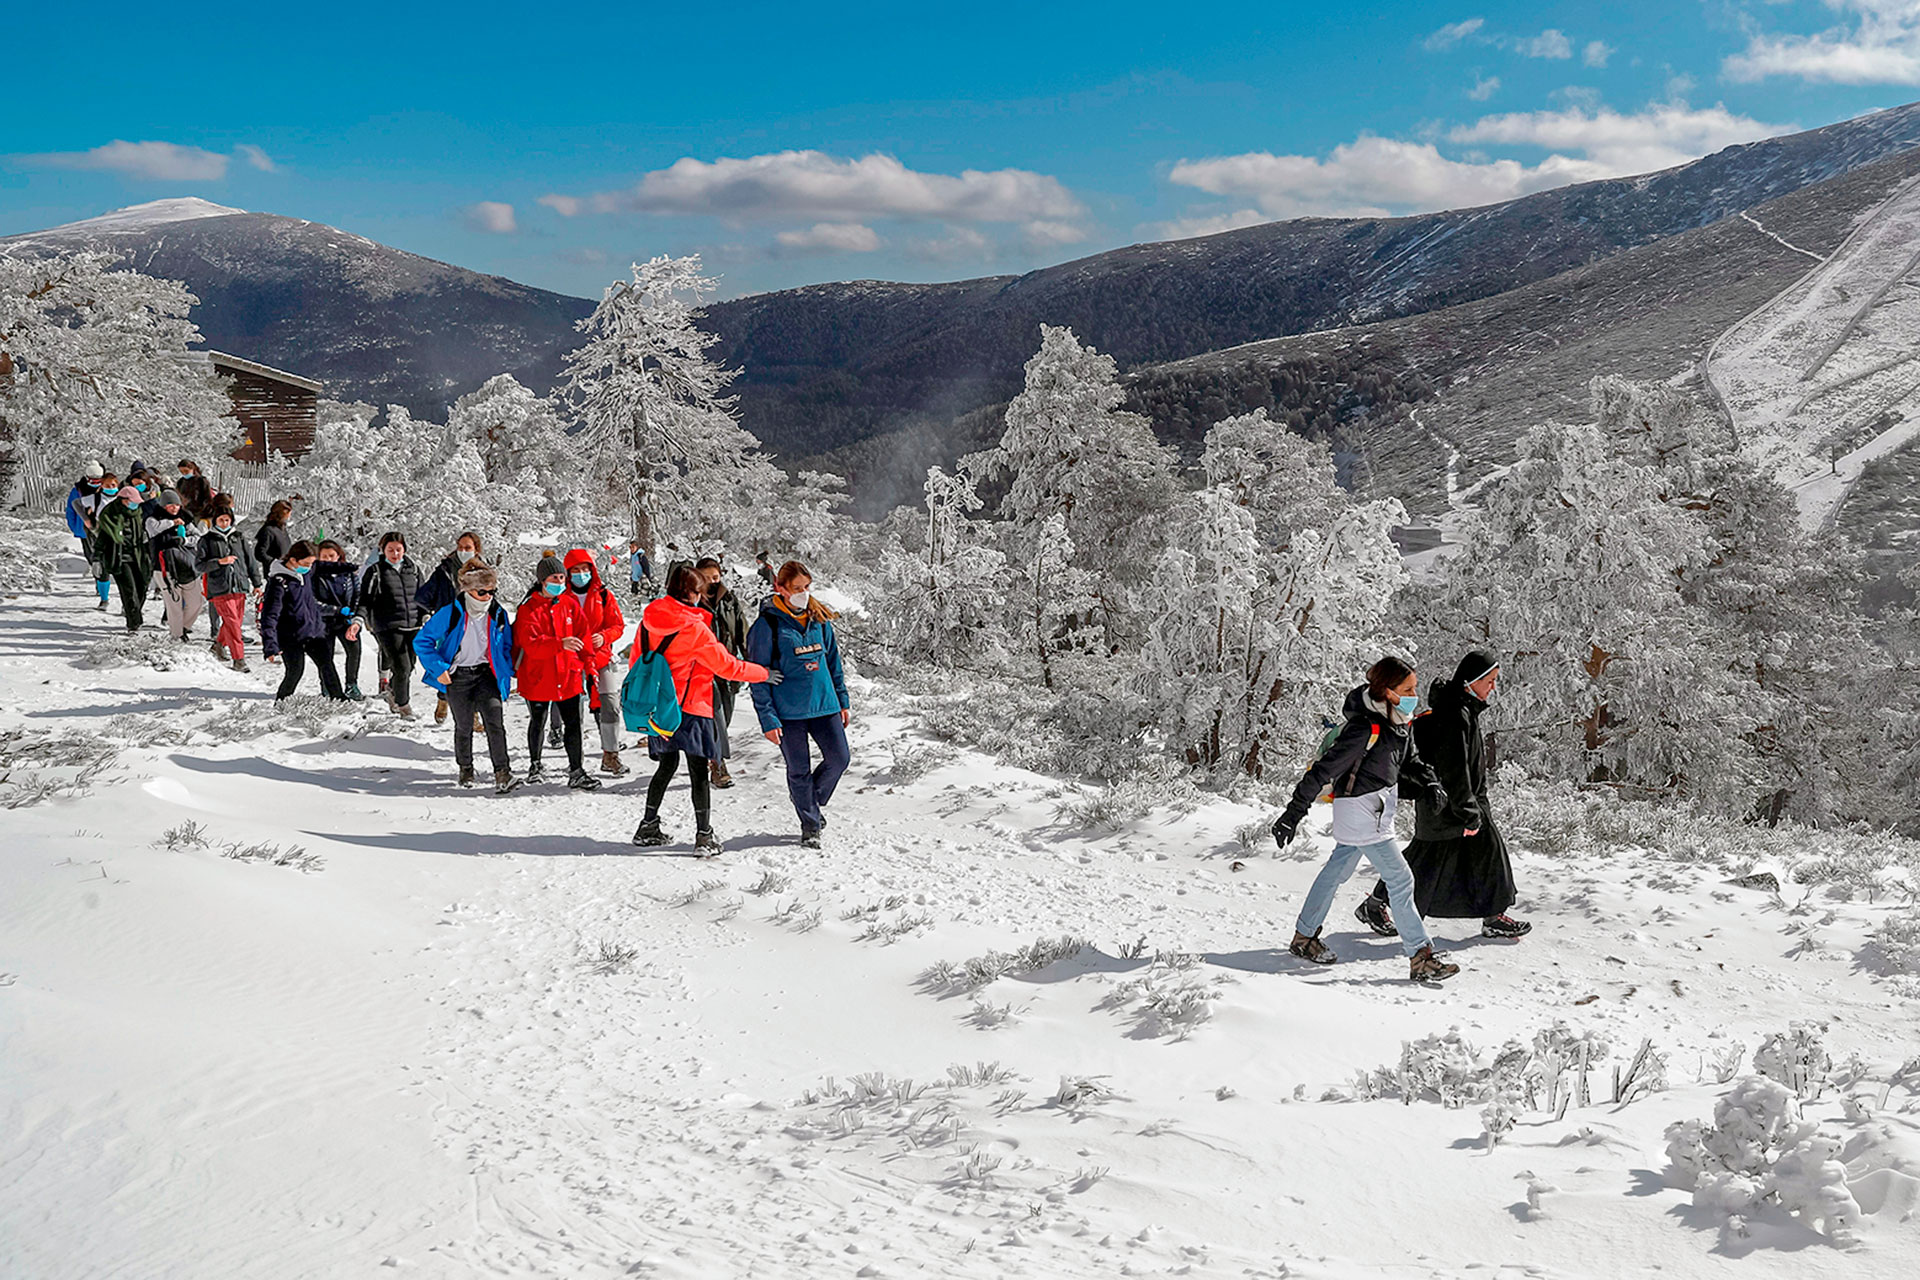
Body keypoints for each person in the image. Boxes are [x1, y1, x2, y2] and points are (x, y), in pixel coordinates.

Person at [1270, 656, 1461, 982]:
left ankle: (1304, 937)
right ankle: (1421, 956)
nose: (1415, 694)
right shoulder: (1365, 728)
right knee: (1401, 881)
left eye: (1415, 686)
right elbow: (1323, 770)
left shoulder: (1400, 723)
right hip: (1362, 813)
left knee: (1336, 872)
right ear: (1387, 691)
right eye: (1408, 688)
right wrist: (1293, 811)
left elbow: (1410, 761)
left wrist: (1430, 782)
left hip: (1374, 812)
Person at [1358, 652, 1530, 941]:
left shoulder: (1462, 708)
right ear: (1471, 682)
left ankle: (1493, 916)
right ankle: (1376, 905)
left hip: (1455, 799)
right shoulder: (1455, 714)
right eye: (1489, 681)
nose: (1493, 687)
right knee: (1429, 858)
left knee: (1478, 854)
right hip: (1449, 801)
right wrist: (1468, 809)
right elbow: (1454, 767)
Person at [630, 563, 776, 853]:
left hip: (659, 709)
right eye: (699, 591)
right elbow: (727, 667)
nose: (702, 596)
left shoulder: (648, 621)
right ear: (690, 593)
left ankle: (648, 825)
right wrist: (765, 674)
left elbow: (637, 661)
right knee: (698, 772)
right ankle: (704, 836)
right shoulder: (694, 628)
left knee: (666, 766)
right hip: (693, 707)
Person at [746, 560, 851, 849]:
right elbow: (758, 676)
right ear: (779, 588)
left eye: (806, 587)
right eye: (796, 588)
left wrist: (842, 700)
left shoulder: (819, 619)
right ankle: (810, 824)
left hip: (824, 705)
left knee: (839, 759)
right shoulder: (766, 626)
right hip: (788, 712)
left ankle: (809, 801)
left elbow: (833, 663)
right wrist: (768, 719)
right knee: (798, 770)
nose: (802, 593)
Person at [413, 559, 522, 793]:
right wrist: (438, 668)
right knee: (463, 726)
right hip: (458, 677)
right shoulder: (451, 612)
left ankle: (502, 772)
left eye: (492, 591)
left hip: (486, 675)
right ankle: (466, 769)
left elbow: (506, 645)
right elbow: (422, 641)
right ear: (468, 590)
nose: (488, 596)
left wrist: (506, 668)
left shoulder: (498, 613)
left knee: (495, 723)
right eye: (482, 592)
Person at [513, 555, 601, 790]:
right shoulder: (528, 608)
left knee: (573, 723)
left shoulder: (569, 604)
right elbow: (530, 643)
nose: (560, 581)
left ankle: (576, 770)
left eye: (562, 577)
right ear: (542, 580)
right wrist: (559, 643)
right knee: (538, 720)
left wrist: (589, 664)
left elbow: (583, 635)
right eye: (555, 577)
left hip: (568, 674)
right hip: (538, 676)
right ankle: (535, 763)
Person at [561, 547, 629, 776]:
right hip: (572, 659)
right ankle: (576, 760)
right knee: (574, 711)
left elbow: (618, 625)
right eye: (576, 570)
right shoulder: (560, 597)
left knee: (610, 704)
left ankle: (611, 754)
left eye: (585, 569)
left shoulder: (603, 595)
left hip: (600, 656)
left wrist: (605, 636)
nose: (581, 574)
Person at [261, 540, 346, 701]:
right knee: (295, 671)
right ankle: (281, 705)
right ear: (293, 560)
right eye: (306, 563)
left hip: (312, 631)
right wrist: (270, 645)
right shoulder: (279, 583)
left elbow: (324, 567)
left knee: (327, 666)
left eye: (311, 563)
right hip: (290, 636)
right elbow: (269, 616)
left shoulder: (305, 572)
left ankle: (339, 700)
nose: (309, 567)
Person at [417, 531, 484, 726]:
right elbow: (424, 595)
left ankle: (473, 715)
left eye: (468, 548)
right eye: (461, 547)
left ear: (476, 550)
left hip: (475, 626)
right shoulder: (444, 570)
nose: (463, 551)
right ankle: (443, 699)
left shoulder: (483, 571)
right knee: (450, 667)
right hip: (448, 627)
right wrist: (433, 613)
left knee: (475, 670)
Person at [696, 556, 750, 789]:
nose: (712, 582)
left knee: (724, 716)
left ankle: (708, 754)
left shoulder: (729, 599)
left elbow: (742, 631)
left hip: (727, 669)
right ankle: (718, 765)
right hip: (701, 671)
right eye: (706, 578)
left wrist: (752, 664)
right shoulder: (691, 602)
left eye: (715, 577)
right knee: (716, 715)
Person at [359, 532, 426, 718]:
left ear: (404, 549)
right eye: (390, 550)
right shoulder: (376, 571)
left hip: (413, 625)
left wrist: (426, 615)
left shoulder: (413, 569)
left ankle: (393, 691)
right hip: (386, 626)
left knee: (410, 666)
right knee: (402, 667)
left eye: (398, 549)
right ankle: (403, 706)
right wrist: (360, 619)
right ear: (383, 550)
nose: (395, 553)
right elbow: (365, 599)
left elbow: (423, 596)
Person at [196, 504, 262, 671]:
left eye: (227, 520)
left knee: (235, 622)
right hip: (220, 587)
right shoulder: (207, 540)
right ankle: (238, 659)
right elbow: (199, 565)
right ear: (214, 520)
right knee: (232, 623)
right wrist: (219, 562)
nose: (225, 523)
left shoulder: (239, 538)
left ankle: (218, 645)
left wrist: (256, 583)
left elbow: (250, 561)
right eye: (221, 520)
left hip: (239, 586)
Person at [94, 483, 154, 632]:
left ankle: (134, 615)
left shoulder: (137, 514)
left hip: (138, 556)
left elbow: (144, 532)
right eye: (132, 502)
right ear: (124, 500)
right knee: (129, 591)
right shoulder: (110, 516)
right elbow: (102, 539)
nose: (135, 505)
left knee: (141, 588)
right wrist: (96, 559)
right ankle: (133, 624)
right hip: (119, 558)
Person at [147, 489, 205, 641]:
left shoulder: (186, 519)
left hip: (187, 566)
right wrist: (172, 523)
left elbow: (198, 538)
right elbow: (153, 530)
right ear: (163, 505)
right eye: (170, 505)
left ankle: (183, 627)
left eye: (177, 505)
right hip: (163, 568)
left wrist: (185, 540)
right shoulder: (153, 519)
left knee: (196, 602)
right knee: (174, 603)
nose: (174, 508)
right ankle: (177, 635)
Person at [312, 540, 366, 700]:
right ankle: (327, 686)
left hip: (345, 621)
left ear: (338, 556)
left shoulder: (348, 574)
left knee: (354, 650)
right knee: (326, 656)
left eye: (331, 556)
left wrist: (354, 616)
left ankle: (351, 684)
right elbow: (312, 601)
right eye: (324, 556)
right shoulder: (314, 575)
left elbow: (358, 595)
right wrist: (335, 610)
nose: (328, 559)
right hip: (323, 621)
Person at [65, 463, 109, 608]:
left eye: (98, 480)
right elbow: (71, 509)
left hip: (103, 530)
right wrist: (74, 526)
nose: (95, 483)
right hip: (84, 530)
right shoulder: (77, 490)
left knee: (102, 557)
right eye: (92, 480)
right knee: (91, 557)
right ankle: (98, 579)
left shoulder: (106, 488)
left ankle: (102, 583)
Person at [78, 471, 121, 611]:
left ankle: (126, 603)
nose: (111, 487)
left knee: (122, 570)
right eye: (107, 485)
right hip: (101, 535)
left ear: (118, 484)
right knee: (103, 568)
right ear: (102, 485)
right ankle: (104, 599)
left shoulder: (123, 497)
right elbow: (76, 503)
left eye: (113, 485)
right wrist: (87, 520)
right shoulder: (95, 498)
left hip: (120, 537)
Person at [254, 500, 295, 570]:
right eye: (288, 514)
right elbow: (260, 553)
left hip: (286, 569)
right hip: (274, 573)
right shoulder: (268, 530)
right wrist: (274, 562)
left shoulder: (283, 529)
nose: (289, 517)